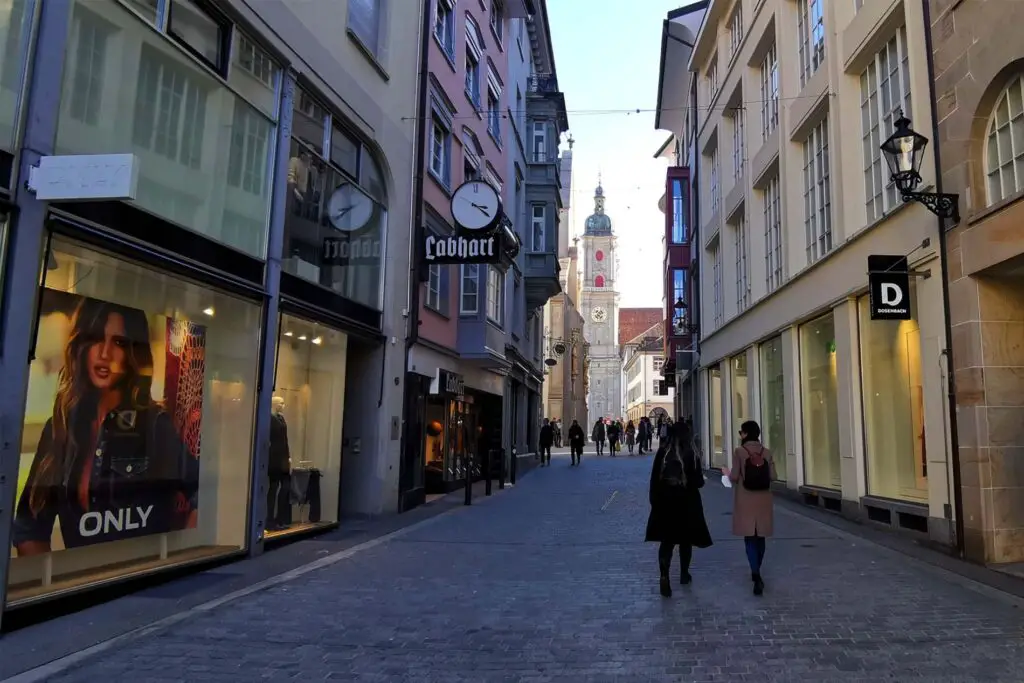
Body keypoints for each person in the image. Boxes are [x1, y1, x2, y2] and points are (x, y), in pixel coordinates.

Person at [13, 298, 197, 555]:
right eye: (95, 338)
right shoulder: (60, 427)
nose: (104, 353)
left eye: (119, 343)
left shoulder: (154, 424)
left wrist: (179, 559)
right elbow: (28, 526)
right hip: (85, 587)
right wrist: (55, 583)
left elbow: (202, 493)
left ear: (134, 353)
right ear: (81, 346)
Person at [645, 422, 712, 597]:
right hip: (687, 501)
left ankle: (664, 574)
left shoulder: (663, 452)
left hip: (666, 500)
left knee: (667, 541)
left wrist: (654, 501)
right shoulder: (692, 453)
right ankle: (684, 574)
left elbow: (654, 479)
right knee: (685, 540)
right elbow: (698, 482)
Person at [721, 420, 777, 596]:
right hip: (763, 499)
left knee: (749, 537)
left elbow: (735, 477)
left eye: (741, 432)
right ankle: (757, 569)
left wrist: (727, 474)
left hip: (746, 499)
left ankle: (755, 573)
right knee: (760, 537)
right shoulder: (766, 452)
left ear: (745, 434)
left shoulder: (740, 452)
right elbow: (774, 476)